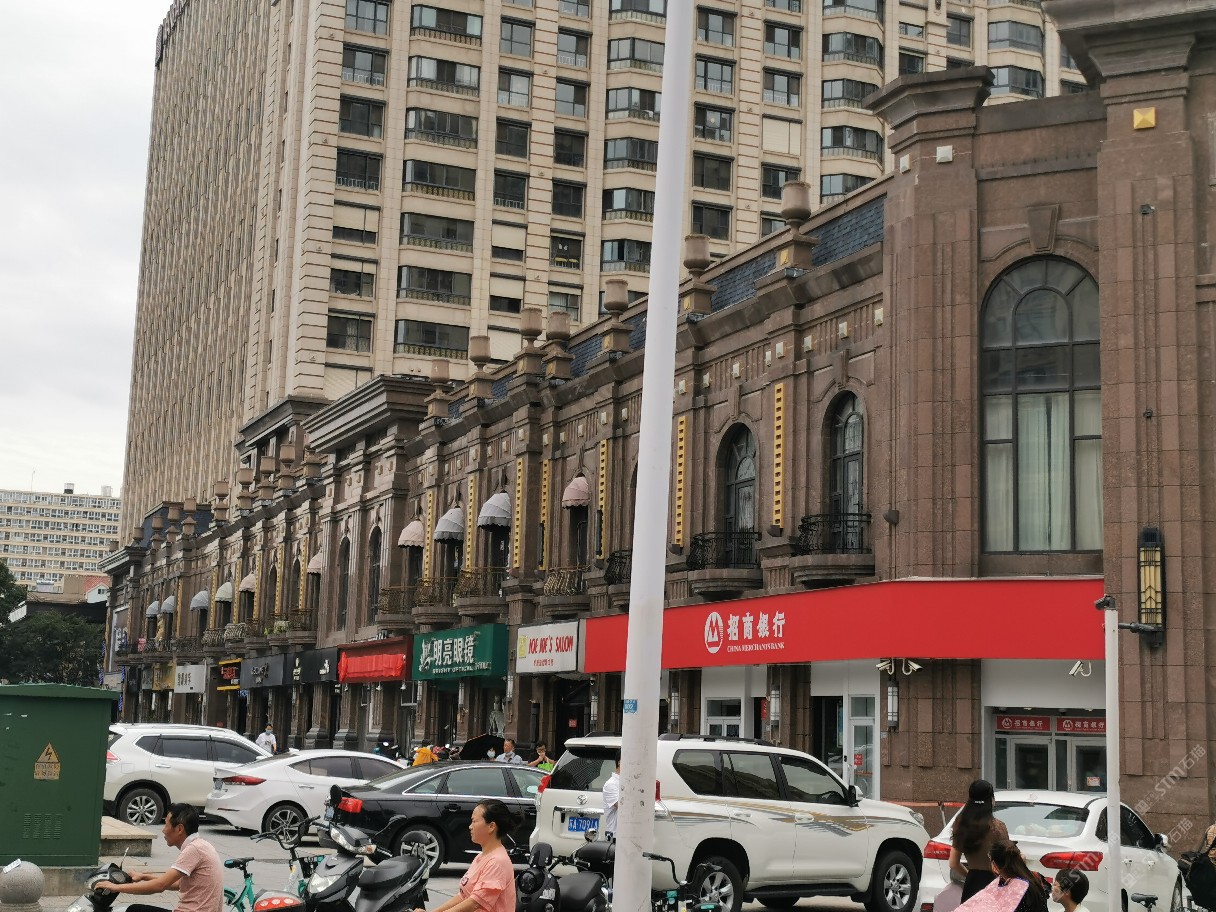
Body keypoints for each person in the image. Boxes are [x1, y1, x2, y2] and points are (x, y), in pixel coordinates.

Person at [96, 803, 223, 912]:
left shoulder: (193, 850)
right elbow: (178, 884)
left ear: (179, 829)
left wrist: (115, 887)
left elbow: (160, 886)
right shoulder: (202, 845)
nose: (163, 830)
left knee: (133, 910)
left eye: (166, 825)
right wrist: (144, 876)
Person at [415, 799, 521, 912]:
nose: (470, 826)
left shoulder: (498, 862)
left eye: (474, 821)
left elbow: (475, 903)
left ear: (491, 826)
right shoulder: (481, 857)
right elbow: (463, 896)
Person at [950, 779, 1010, 901]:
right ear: (991, 800)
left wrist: (969, 875)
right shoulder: (998, 827)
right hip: (994, 883)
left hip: (972, 883)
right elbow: (1007, 860)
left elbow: (953, 863)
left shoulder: (962, 825)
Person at [600, 754, 621, 841]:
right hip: (616, 837)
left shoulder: (628, 783)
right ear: (620, 762)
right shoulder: (611, 784)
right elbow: (623, 807)